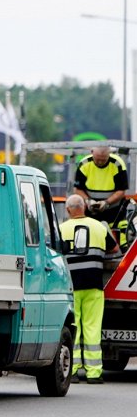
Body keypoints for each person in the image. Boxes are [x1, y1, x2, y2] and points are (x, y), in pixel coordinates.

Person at [59, 193, 118, 383]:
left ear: (68, 210)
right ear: (84, 207)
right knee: (92, 327)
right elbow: (114, 249)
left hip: (71, 287)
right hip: (94, 285)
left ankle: (73, 370)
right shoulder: (99, 227)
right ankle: (94, 373)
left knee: (74, 327)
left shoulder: (60, 229)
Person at [73, 145, 129, 233]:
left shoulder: (117, 164)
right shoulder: (84, 163)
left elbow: (121, 190)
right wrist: (88, 201)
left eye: (103, 160)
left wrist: (106, 202)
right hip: (90, 210)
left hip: (114, 210)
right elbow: (78, 189)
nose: (100, 162)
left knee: (115, 235)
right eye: (97, 159)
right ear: (92, 153)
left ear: (109, 155)